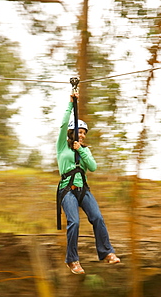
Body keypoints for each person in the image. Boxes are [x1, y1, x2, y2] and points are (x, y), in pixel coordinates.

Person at [56, 93, 120, 274]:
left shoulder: (85, 150)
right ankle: (72, 260)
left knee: (98, 218)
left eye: (84, 133)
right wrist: (70, 103)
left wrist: (81, 151)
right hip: (67, 190)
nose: (82, 135)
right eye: (80, 132)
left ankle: (107, 252)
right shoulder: (62, 147)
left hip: (83, 190)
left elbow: (93, 167)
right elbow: (62, 124)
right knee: (74, 222)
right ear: (72, 133)